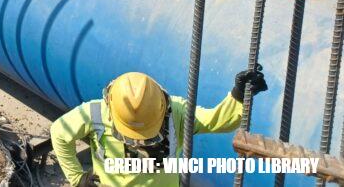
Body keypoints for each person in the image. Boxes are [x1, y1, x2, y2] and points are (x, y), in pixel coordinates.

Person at [51, 68, 268, 187]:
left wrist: (239, 96)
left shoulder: (177, 112)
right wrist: (78, 178)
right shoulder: (94, 113)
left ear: (163, 106)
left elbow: (217, 121)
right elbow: (59, 133)